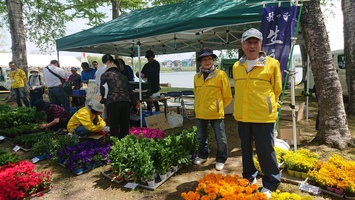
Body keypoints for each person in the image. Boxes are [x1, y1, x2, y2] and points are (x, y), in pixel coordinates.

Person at [232, 28, 282, 197]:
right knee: (245, 149)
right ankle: (249, 177)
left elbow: (277, 89)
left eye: (255, 42)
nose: (252, 46)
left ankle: (271, 182)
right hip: (243, 115)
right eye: (248, 42)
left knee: (265, 150)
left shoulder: (272, 64)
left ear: (261, 44)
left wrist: (268, 106)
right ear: (243, 45)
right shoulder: (236, 66)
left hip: (263, 115)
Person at [192, 48, 232, 171]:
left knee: (221, 138)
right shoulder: (196, 77)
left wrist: (218, 107)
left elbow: (227, 96)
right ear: (200, 62)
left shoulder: (221, 75)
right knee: (201, 137)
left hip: (216, 113)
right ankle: (203, 155)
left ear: (213, 60)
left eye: (209, 59)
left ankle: (221, 158)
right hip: (200, 112)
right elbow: (196, 94)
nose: (207, 61)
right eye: (204, 59)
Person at [100, 55, 136, 139]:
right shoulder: (124, 77)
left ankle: (115, 145)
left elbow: (103, 90)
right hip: (126, 102)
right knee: (124, 126)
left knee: (114, 126)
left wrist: (103, 100)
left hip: (113, 102)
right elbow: (130, 91)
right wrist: (134, 104)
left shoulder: (105, 75)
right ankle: (124, 144)